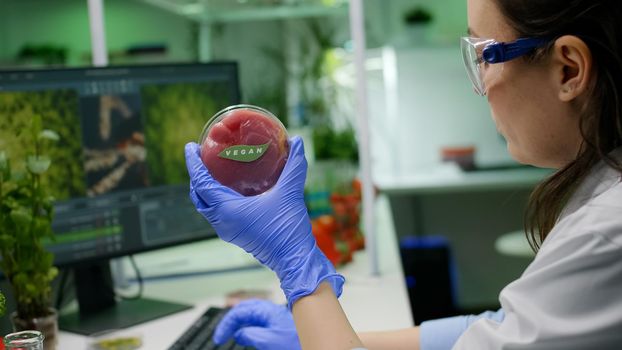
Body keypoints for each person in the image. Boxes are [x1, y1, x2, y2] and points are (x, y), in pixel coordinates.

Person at [184, 0, 622, 348]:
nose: (481, 85)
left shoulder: (607, 229)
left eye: (486, 55)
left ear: (569, 69)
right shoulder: (604, 190)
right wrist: (320, 335)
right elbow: (506, 328)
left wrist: (296, 270)